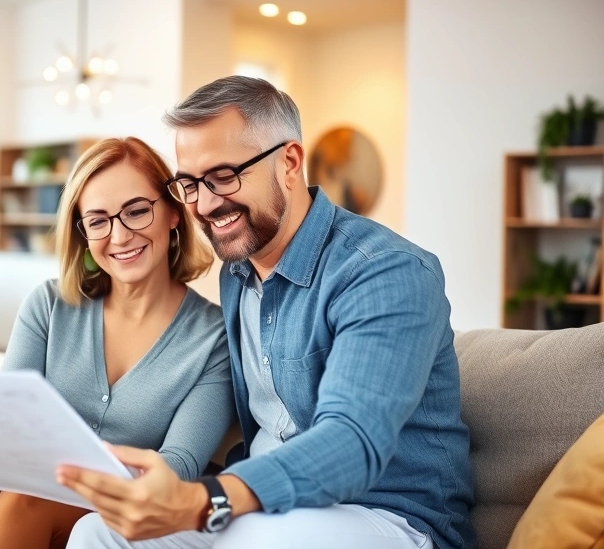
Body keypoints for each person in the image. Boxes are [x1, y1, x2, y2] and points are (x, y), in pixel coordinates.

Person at [61, 76, 476, 549]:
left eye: (223, 176)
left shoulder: (385, 272)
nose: (206, 204)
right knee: (98, 533)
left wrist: (206, 499)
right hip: (262, 508)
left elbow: (352, 441)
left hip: (388, 516)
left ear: (290, 163)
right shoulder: (236, 274)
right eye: (190, 184)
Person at [0, 137, 236, 549]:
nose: (120, 235)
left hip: (112, 516)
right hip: (16, 509)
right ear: (84, 234)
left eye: (136, 211)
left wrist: (76, 471)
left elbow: (178, 467)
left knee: (32, 495)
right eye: (98, 220)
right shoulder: (50, 304)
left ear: (172, 214)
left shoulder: (213, 337)